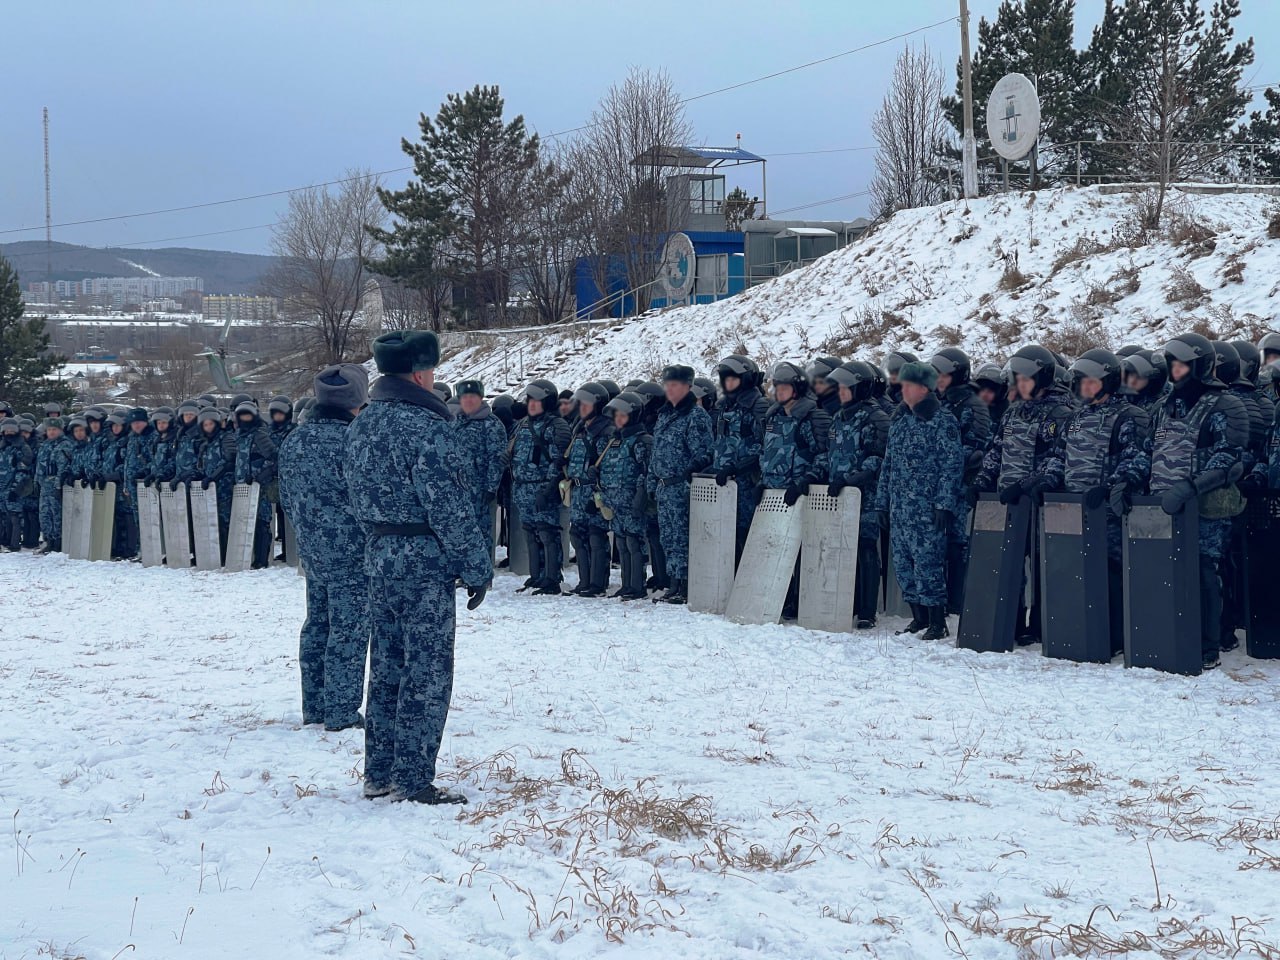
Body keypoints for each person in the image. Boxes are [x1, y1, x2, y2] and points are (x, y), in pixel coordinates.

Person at [344, 330, 492, 804]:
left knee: (386, 666)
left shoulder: (362, 424)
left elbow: (354, 495)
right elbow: (449, 508)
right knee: (426, 671)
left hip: (378, 555)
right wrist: (477, 566)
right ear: (421, 374)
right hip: (423, 561)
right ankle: (411, 777)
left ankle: (379, 772)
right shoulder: (428, 427)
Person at [1148, 332, 1249, 671]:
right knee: (1165, 570)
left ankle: (1209, 644)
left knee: (1204, 571)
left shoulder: (1225, 405)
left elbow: (1229, 458)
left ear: (1199, 366)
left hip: (1205, 507)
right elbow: (1147, 451)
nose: (1175, 371)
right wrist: (1126, 483)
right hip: (1163, 505)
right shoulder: (1165, 407)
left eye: (1182, 365)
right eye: (1172, 365)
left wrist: (1191, 487)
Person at [279, 363, 370, 732]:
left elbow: (287, 498)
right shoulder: (354, 440)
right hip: (353, 552)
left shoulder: (295, 440)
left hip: (313, 550)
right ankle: (342, 711)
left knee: (318, 624)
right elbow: (367, 499)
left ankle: (315, 706)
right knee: (348, 629)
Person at [1051, 349, 1151, 655]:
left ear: (1107, 382)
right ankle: (1081, 630)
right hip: (1073, 510)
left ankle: (1116, 637)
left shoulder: (1128, 416)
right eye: (1082, 382)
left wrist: (1109, 488)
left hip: (1108, 512)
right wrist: (1047, 480)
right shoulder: (1076, 417)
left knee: (1112, 574)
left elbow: (1136, 458)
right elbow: (1059, 456)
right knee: (1076, 571)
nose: (1086, 388)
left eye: (1091, 382)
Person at [976, 344, 1072, 645]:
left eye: (1026, 379)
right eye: (1017, 379)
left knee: (1044, 565)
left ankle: (1041, 624)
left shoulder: (1060, 414)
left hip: (1040, 502)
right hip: (1009, 500)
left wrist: (1030, 483)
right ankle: (1013, 621)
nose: (1020, 384)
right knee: (1010, 564)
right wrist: (982, 479)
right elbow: (996, 450)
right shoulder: (1013, 413)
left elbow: (1057, 457)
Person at [873, 361, 964, 641]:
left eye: (909, 385)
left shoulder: (942, 421)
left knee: (928, 564)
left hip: (927, 509)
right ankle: (919, 617)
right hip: (900, 509)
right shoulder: (900, 421)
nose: (903, 390)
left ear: (924, 388)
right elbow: (888, 465)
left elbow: (952, 465)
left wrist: (944, 504)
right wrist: (882, 503)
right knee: (903, 565)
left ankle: (937, 621)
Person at [760, 361, 831, 618]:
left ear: (797, 389)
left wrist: (806, 480)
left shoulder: (813, 416)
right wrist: (762, 481)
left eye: (785, 387)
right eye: (777, 387)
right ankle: (782, 596)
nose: (779, 392)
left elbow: (824, 454)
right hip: (774, 493)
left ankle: (800, 600)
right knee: (775, 547)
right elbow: (767, 451)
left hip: (801, 493)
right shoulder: (773, 416)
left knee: (801, 550)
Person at [826, 360, 889, 629]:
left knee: (865, 548)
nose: (840, 392)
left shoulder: (875, 418)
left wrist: (851, 479)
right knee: (842, 548)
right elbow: (830, 454)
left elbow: (878, 457)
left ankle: (867, 610)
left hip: (866, 496)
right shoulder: (838, 418)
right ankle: (847, 603)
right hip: (839, 494)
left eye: (846, 387)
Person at [930, 347, 992, 615]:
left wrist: (943, 462)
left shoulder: (973, 405)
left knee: (957, 544)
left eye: (943, 376)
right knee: (937, 543)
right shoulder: (939, 404)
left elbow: (976, 448)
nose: (939, 381)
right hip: (938, 484)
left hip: (960, 484)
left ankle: (956, 601)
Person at [647, 365, 714, 604]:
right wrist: (651, 482)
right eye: (667, 385)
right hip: (664, 487)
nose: (669, 389)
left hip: (681, 487)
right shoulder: (664, 415)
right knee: (668, 538)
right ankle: (673, 583)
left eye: (674, 385)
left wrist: (688, 474)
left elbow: (705, 453)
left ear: (688, 387)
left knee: (683, 538)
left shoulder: (695, 416)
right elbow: (656, 452)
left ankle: (685, 585)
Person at [509, 379, 571, 595]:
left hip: (542, 488)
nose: (532, 404)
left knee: (547, 533)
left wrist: (547, 489)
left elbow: (559, 461)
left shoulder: (556, 426)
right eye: (530, 400)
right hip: (522, 488)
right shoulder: (523, 425)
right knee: (530, 533)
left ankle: (552, 578)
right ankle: (536, 575)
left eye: (537, 401)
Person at [710, 355, 770, 561]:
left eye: (733, 379)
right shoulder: (724, 407)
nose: (728, 383)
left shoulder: (758, 406)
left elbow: (765, 447)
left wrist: (737, 468)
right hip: (724, 485)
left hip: (747, 483)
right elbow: (720, 443)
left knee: (749, 537)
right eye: (725, 379)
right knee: (727, 539)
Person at [598, 391, 653, 600]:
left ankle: (637, 585)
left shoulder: (642, 441)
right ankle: (626, 584)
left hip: (632, 501)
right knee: (621, 543)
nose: (619, 419)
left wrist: (640, 499)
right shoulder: (614, 441)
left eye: (623, 415)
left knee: (634, 542)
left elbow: (647, 472)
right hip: (615, 503)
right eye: (616, 415)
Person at [564, 382, 614, 597]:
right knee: (578, 536)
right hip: (577, 491)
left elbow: (609, 466)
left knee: (596, 537)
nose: (582, 408)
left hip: (594, 493)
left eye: (587, 404)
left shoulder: (606, 432)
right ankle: (584, 581)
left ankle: (597, 583)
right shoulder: (580, 430)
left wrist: (600, 495)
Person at [452, 379, 506, 559]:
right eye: (464, 397)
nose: (468, 400)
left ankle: (482, 572)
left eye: (472, 396)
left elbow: (496, 459)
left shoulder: (491, 424)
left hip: (479, 492)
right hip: (456, 491)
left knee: (480, 535)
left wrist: (491, 488)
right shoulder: (455, 423)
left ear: (481, 398)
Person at [231, 401, 278, 569]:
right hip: (244, 486)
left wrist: (260, 475)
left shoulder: (260, 435)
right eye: (242, 416)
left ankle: (261, 559)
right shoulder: (240, 436)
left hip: (260, 486)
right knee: (247, 521)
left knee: (262, 522)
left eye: (248, 416)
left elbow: (274, 458)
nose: (245, 419)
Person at [35, 418, 72, 553]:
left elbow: (63, 467)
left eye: (54, 429)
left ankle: (58, 542)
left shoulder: (64, 445)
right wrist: (36, 482)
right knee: (44, 514)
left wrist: (58, 486)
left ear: (60, 430)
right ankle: (48, 540)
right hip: (44, 485)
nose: (51, 432)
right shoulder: (45, 445)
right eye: (49, 429)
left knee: (56, 514)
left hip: (55, 485)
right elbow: (39, 466)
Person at [0, 418, 34, 551]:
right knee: (4, 516)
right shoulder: (2, 448)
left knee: (15, 516)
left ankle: (14, 544)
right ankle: (5, 540)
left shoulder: (22, 448)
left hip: (15, 487)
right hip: (1, 487)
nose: (9, 432)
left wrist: (15, 489)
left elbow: (23, 470)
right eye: (6, 430)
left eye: (12, 430)